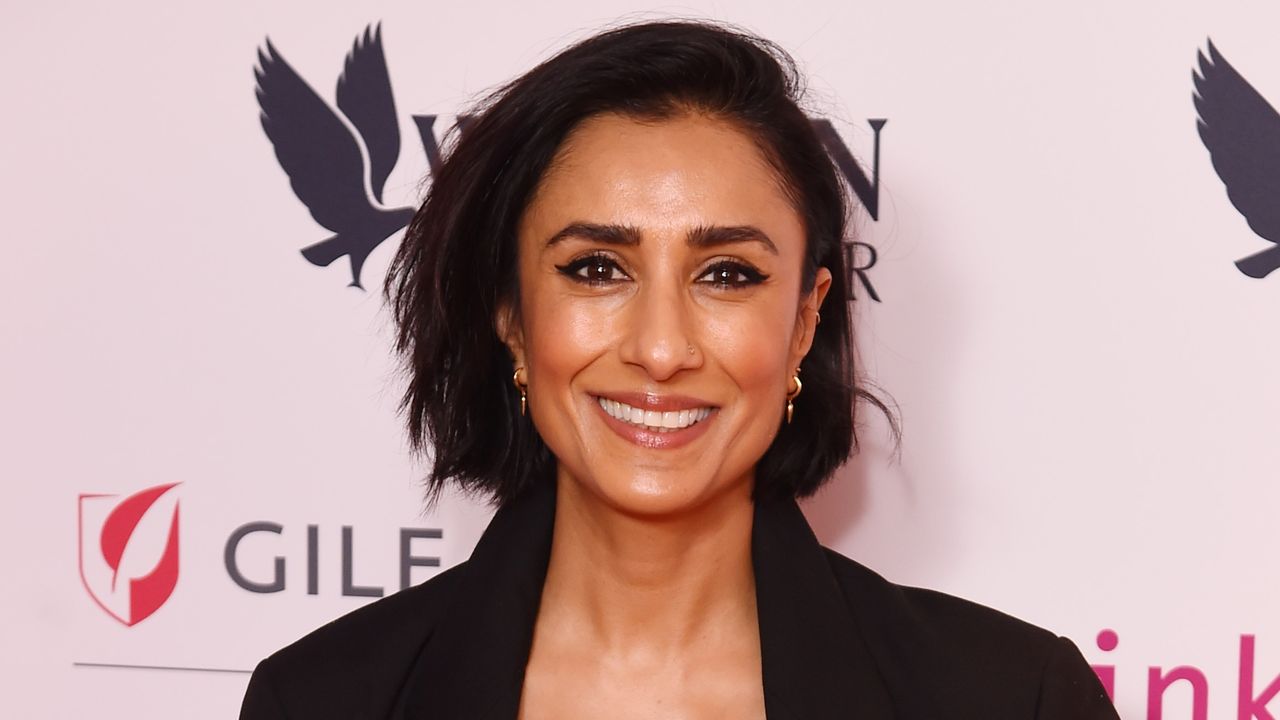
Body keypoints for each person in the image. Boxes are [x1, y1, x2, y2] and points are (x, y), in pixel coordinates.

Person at [239, 20, 1119, 720]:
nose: (661, 349)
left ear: (806, 321)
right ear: (509, 313)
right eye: (596, 267)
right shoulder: (323, 699)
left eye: (727, 275)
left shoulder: (1015, 698)